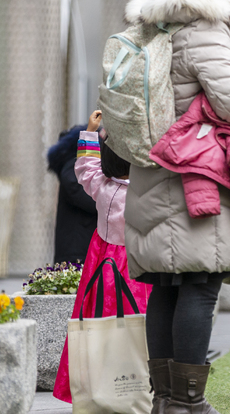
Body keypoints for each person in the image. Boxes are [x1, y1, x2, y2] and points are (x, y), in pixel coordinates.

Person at [122, 0, 230, 412]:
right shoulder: (205, 27)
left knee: (166, 283)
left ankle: (167, 400)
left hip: (153, 167)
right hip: (197, 175)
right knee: (200, 283)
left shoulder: (151, 23)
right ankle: (188, 403)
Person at [53, 110, 152, 403]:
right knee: (141, 327)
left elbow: (85, 167)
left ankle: (97, 384)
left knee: (98, 323)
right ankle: (141, 385)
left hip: (103, 262)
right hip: (139, 264)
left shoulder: (102, 186)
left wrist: (90, 132)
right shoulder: (147, 192)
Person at [47, 125, 97, 264]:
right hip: (77, 247)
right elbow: (75, 188)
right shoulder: (75, 163)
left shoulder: (74, 163)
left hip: (78, 245)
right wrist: (106, 201)